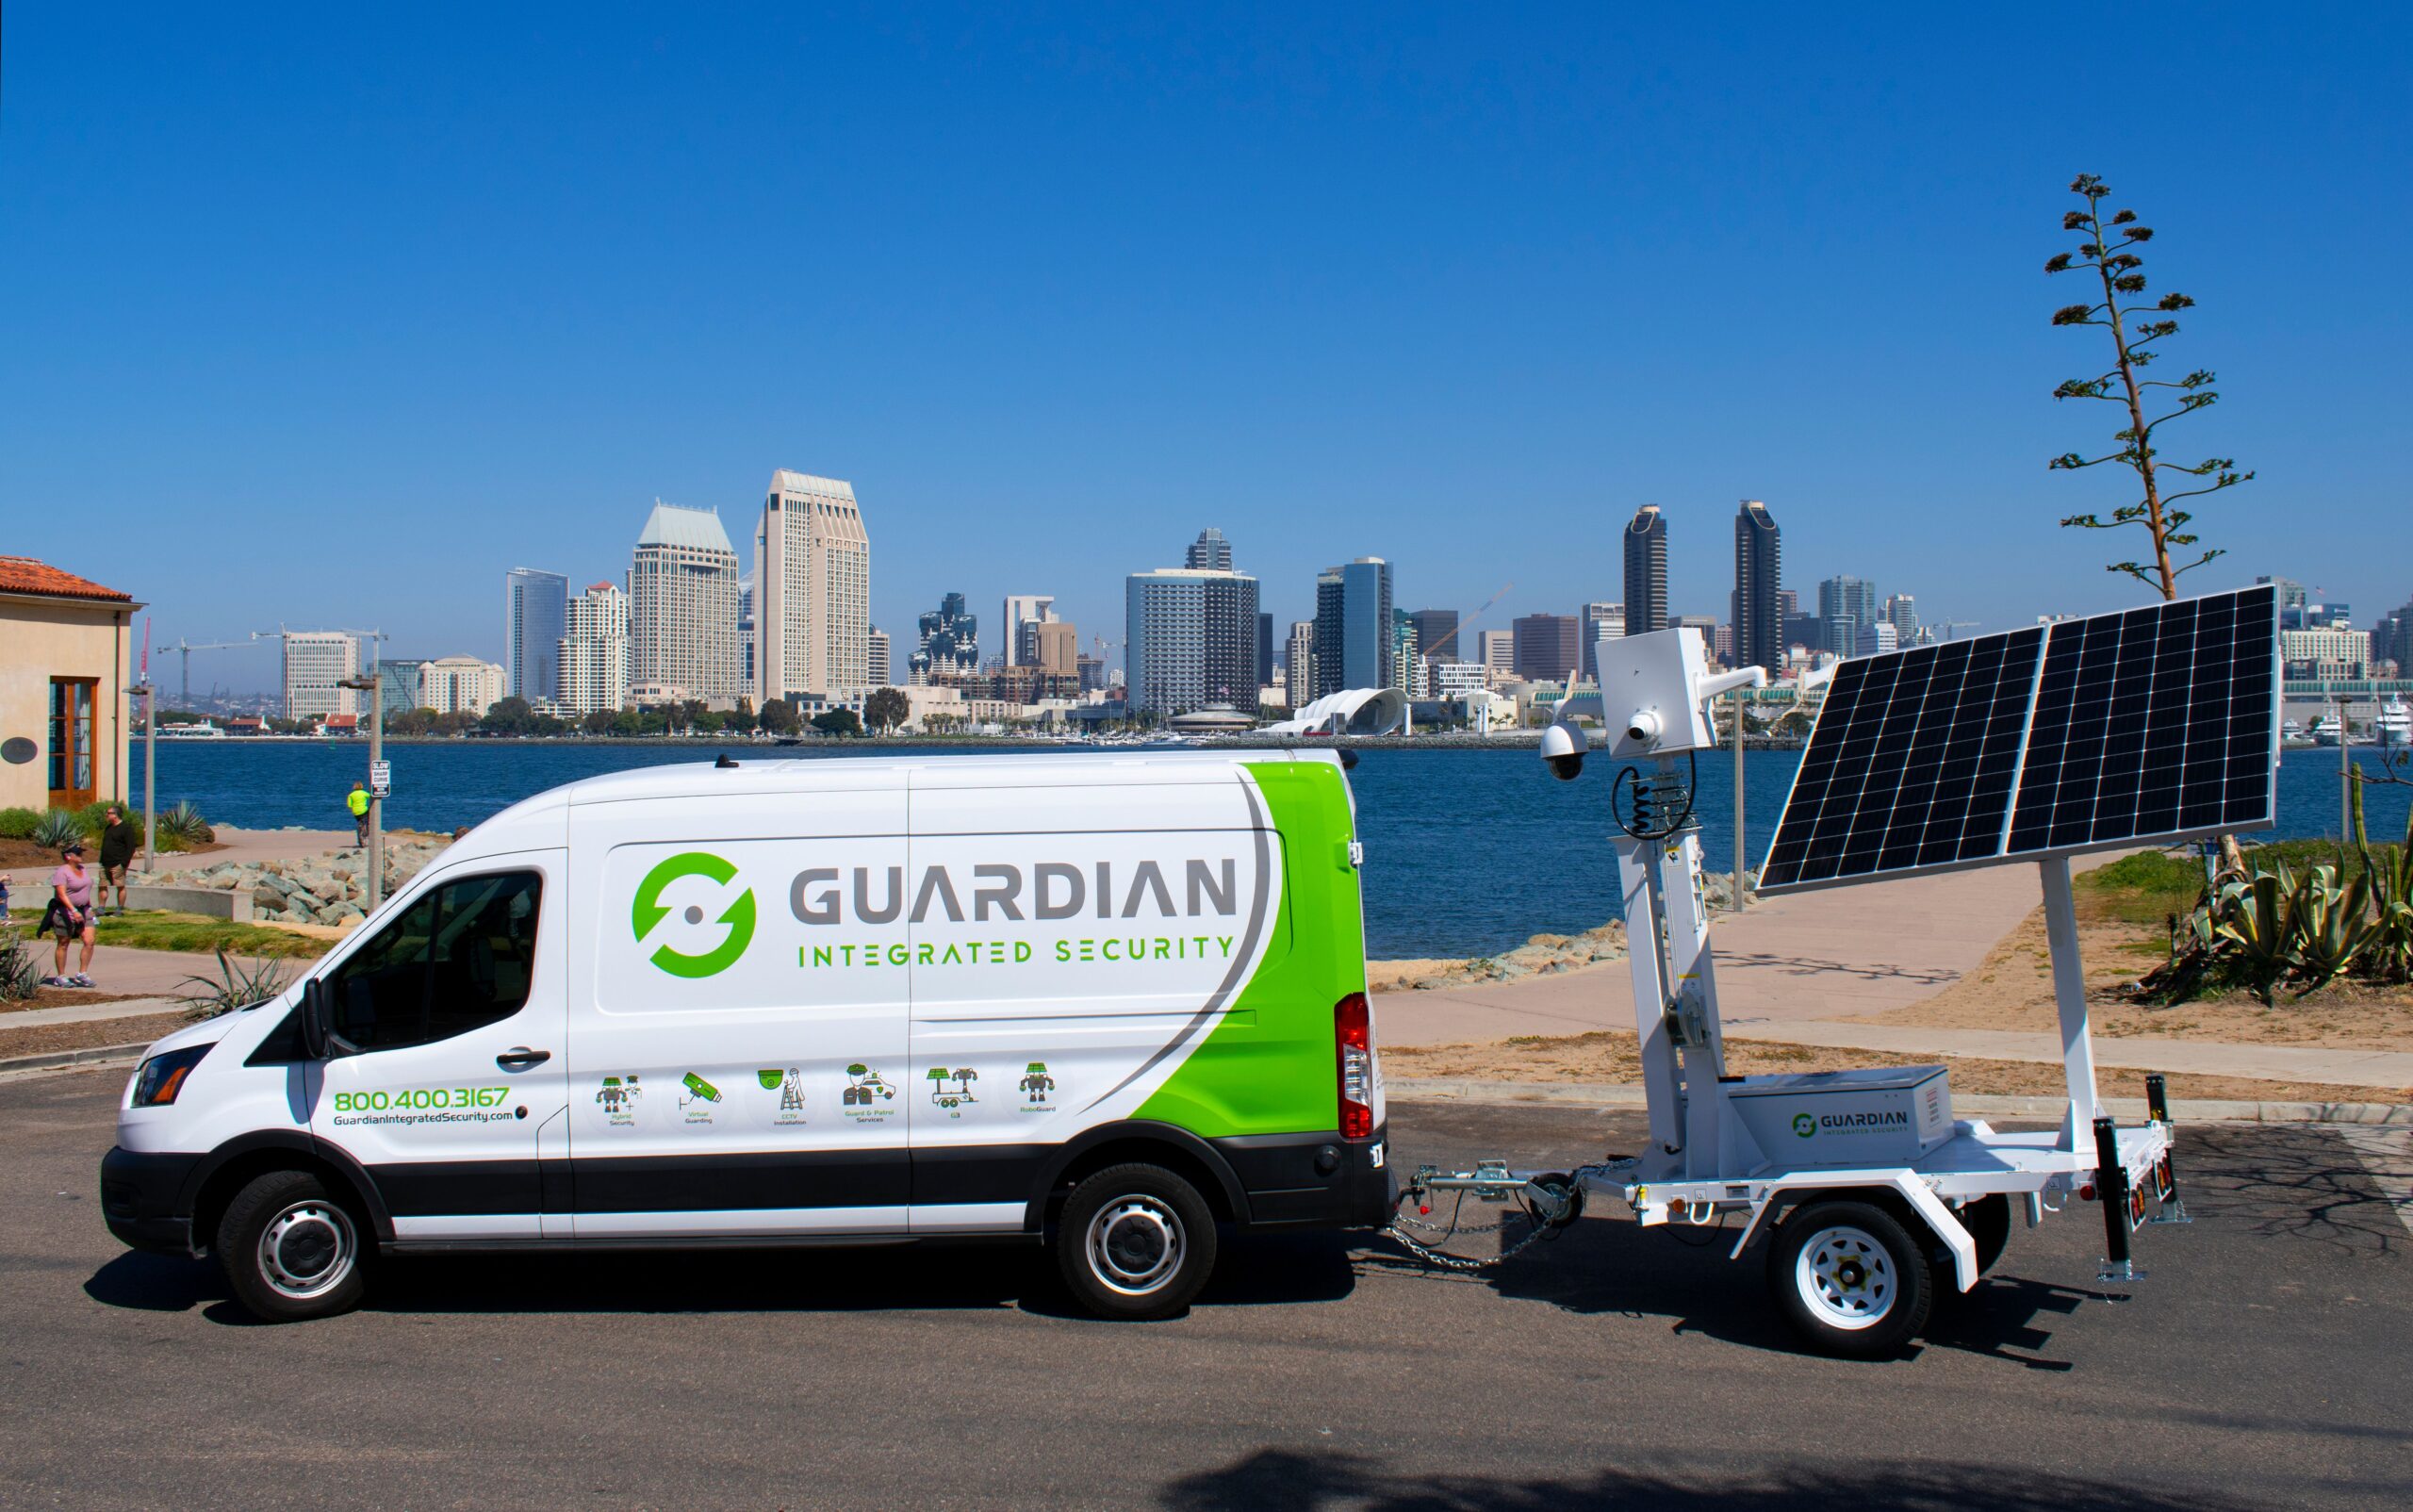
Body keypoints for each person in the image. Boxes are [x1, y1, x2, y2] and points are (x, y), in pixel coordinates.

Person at [41, 843, 99, 989]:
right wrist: (73, 910)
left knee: (89, 941)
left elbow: (86, 889)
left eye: (81, 853)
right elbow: (61, 894)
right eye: (78, 853)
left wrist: (89, 906)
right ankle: (61, 976)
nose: (81, 856)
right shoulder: (62, 872)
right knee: (63, 943)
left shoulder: (82, 869)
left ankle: (82, 974)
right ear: (68, 856)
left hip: (85, 910)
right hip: (65, 912)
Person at [97, 804, 138, 914]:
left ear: (115, 815)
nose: (107, 815)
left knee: (120, 886)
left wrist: (123, 864)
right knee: (102, 886)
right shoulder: (108, 828)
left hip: (118, 864)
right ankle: (101, 908)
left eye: (109, 813)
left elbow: (130, 848)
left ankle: (119, 909)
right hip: (105, 863)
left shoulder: (126, 829)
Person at [346, 781, 370, 848]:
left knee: (360, 823)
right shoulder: (363, 793)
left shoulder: (351, 795)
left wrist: (353, 810)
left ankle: (360, 837)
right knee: (368, 822)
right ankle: (366, 833)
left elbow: (349, 805)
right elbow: (371, 796)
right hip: (363, 811)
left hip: (356, 812)